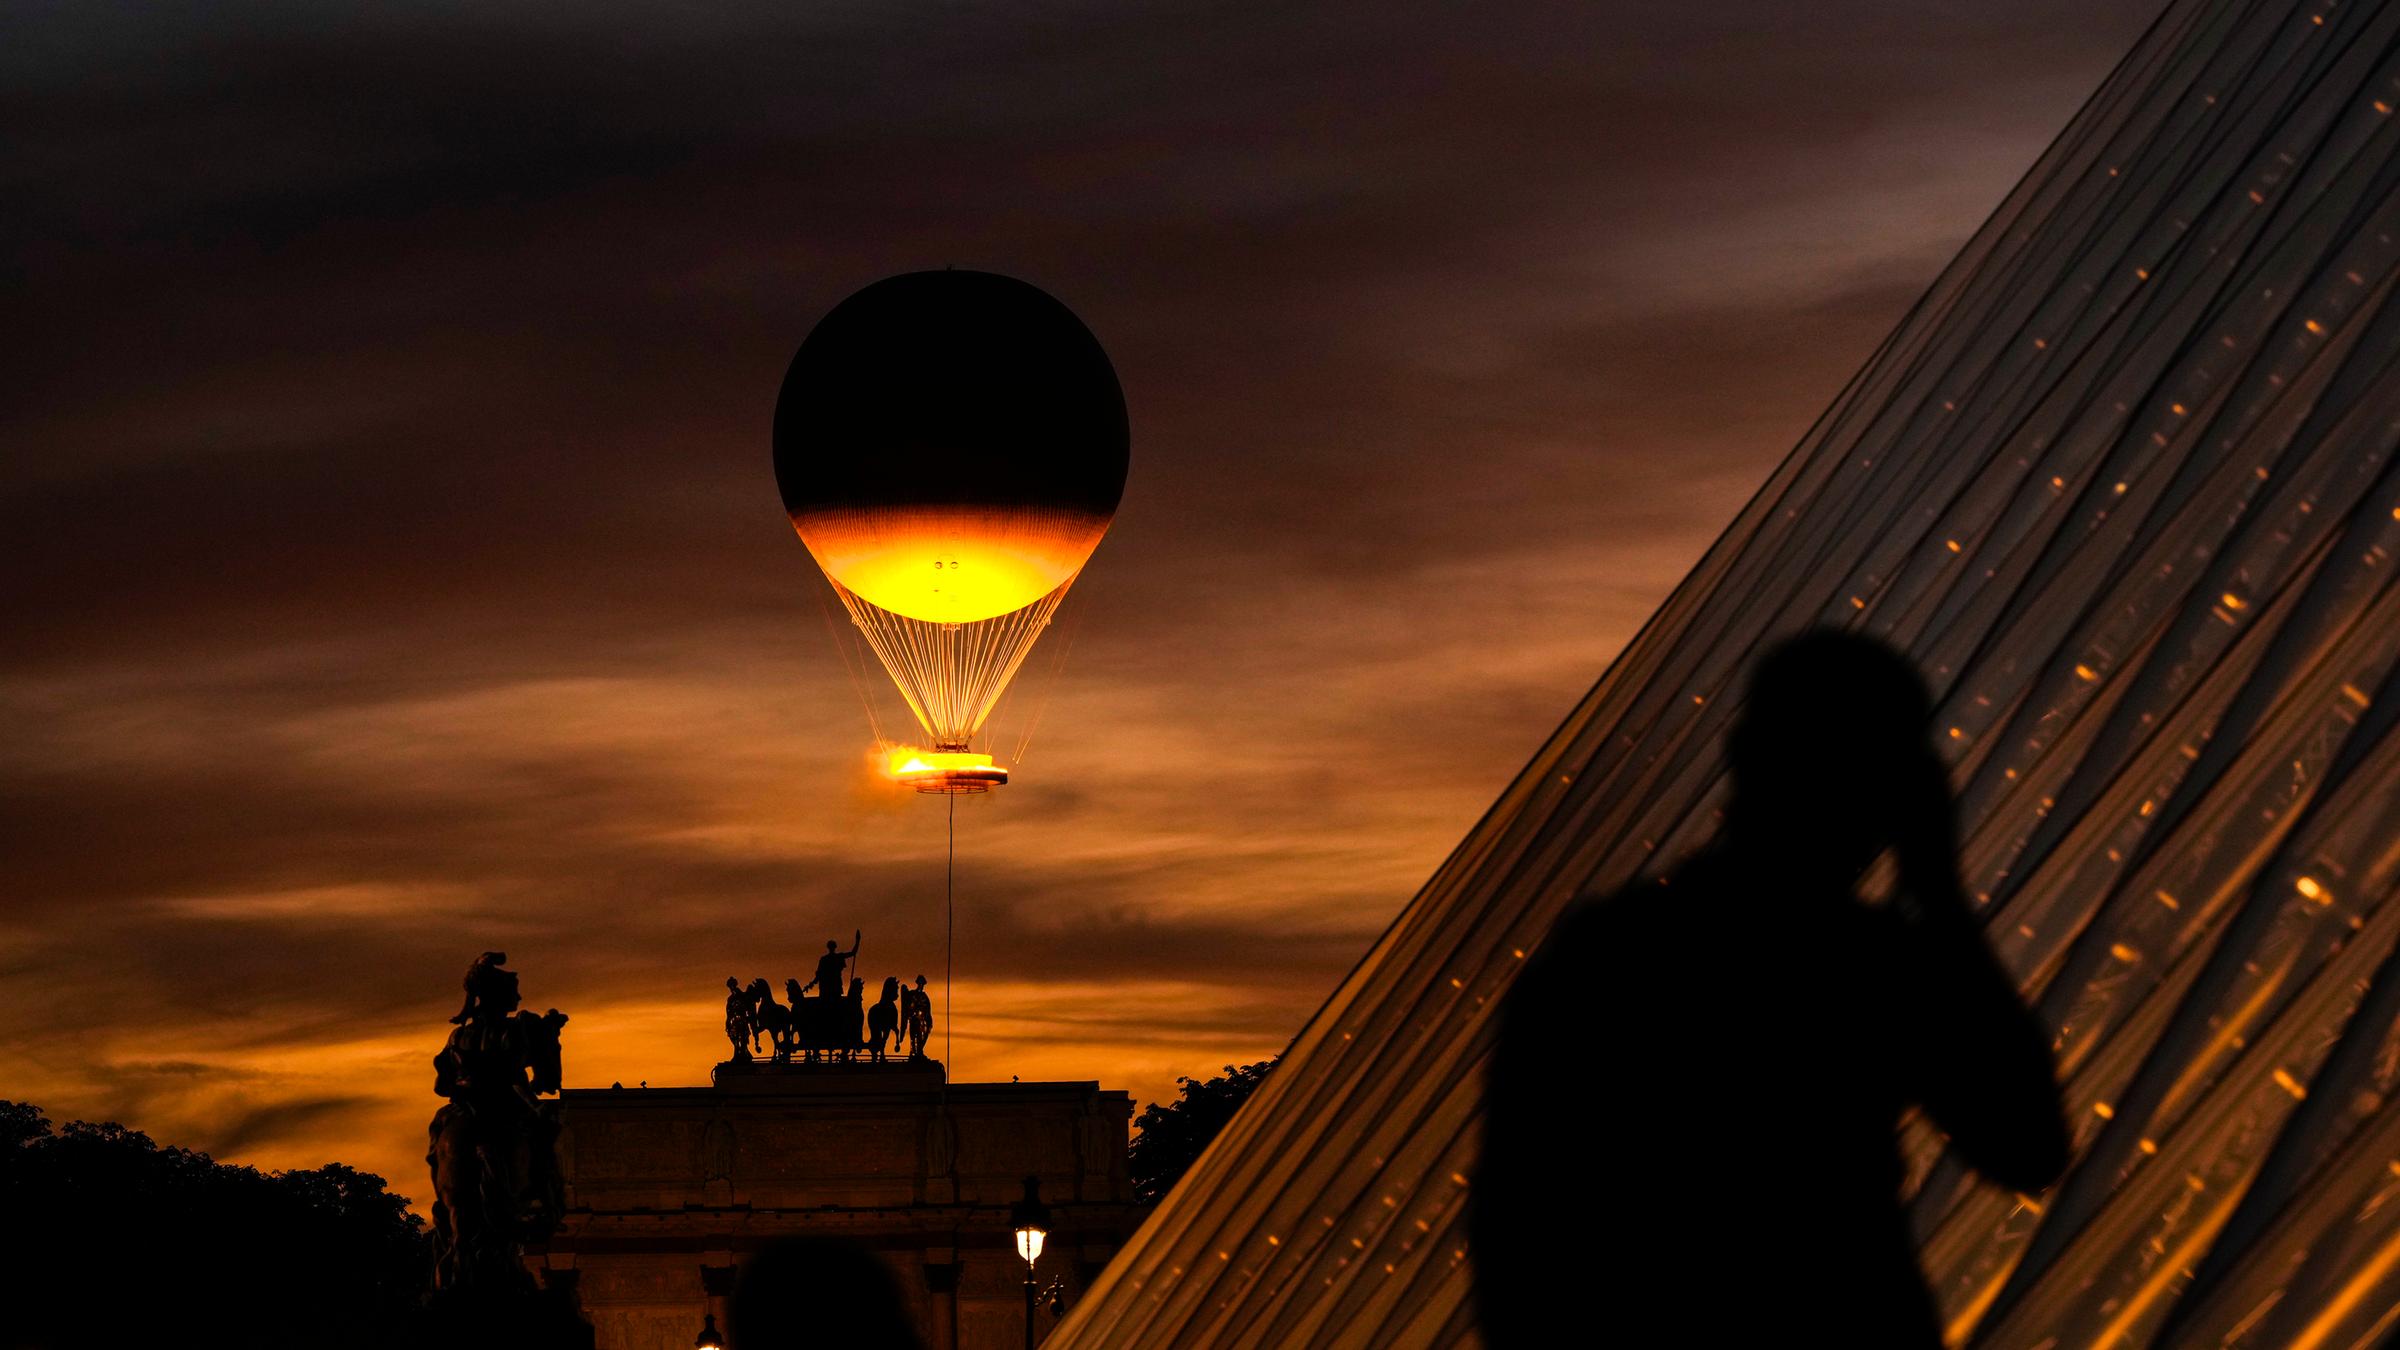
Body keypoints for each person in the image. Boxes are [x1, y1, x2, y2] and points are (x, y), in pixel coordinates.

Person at [1473, 630, 2069, 1348]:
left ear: (1741, 759)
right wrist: (1939, 891)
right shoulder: (1873, 966)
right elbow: (2026, 1143)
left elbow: (1512, 1228)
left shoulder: (1607, 951)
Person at [811, 930, 861, 1000]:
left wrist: (857, 941)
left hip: (831, 985)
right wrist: (857, 941)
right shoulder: (831, 958)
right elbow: (819, 973)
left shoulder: (826, 958)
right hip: (830, 985)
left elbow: (853, 953)